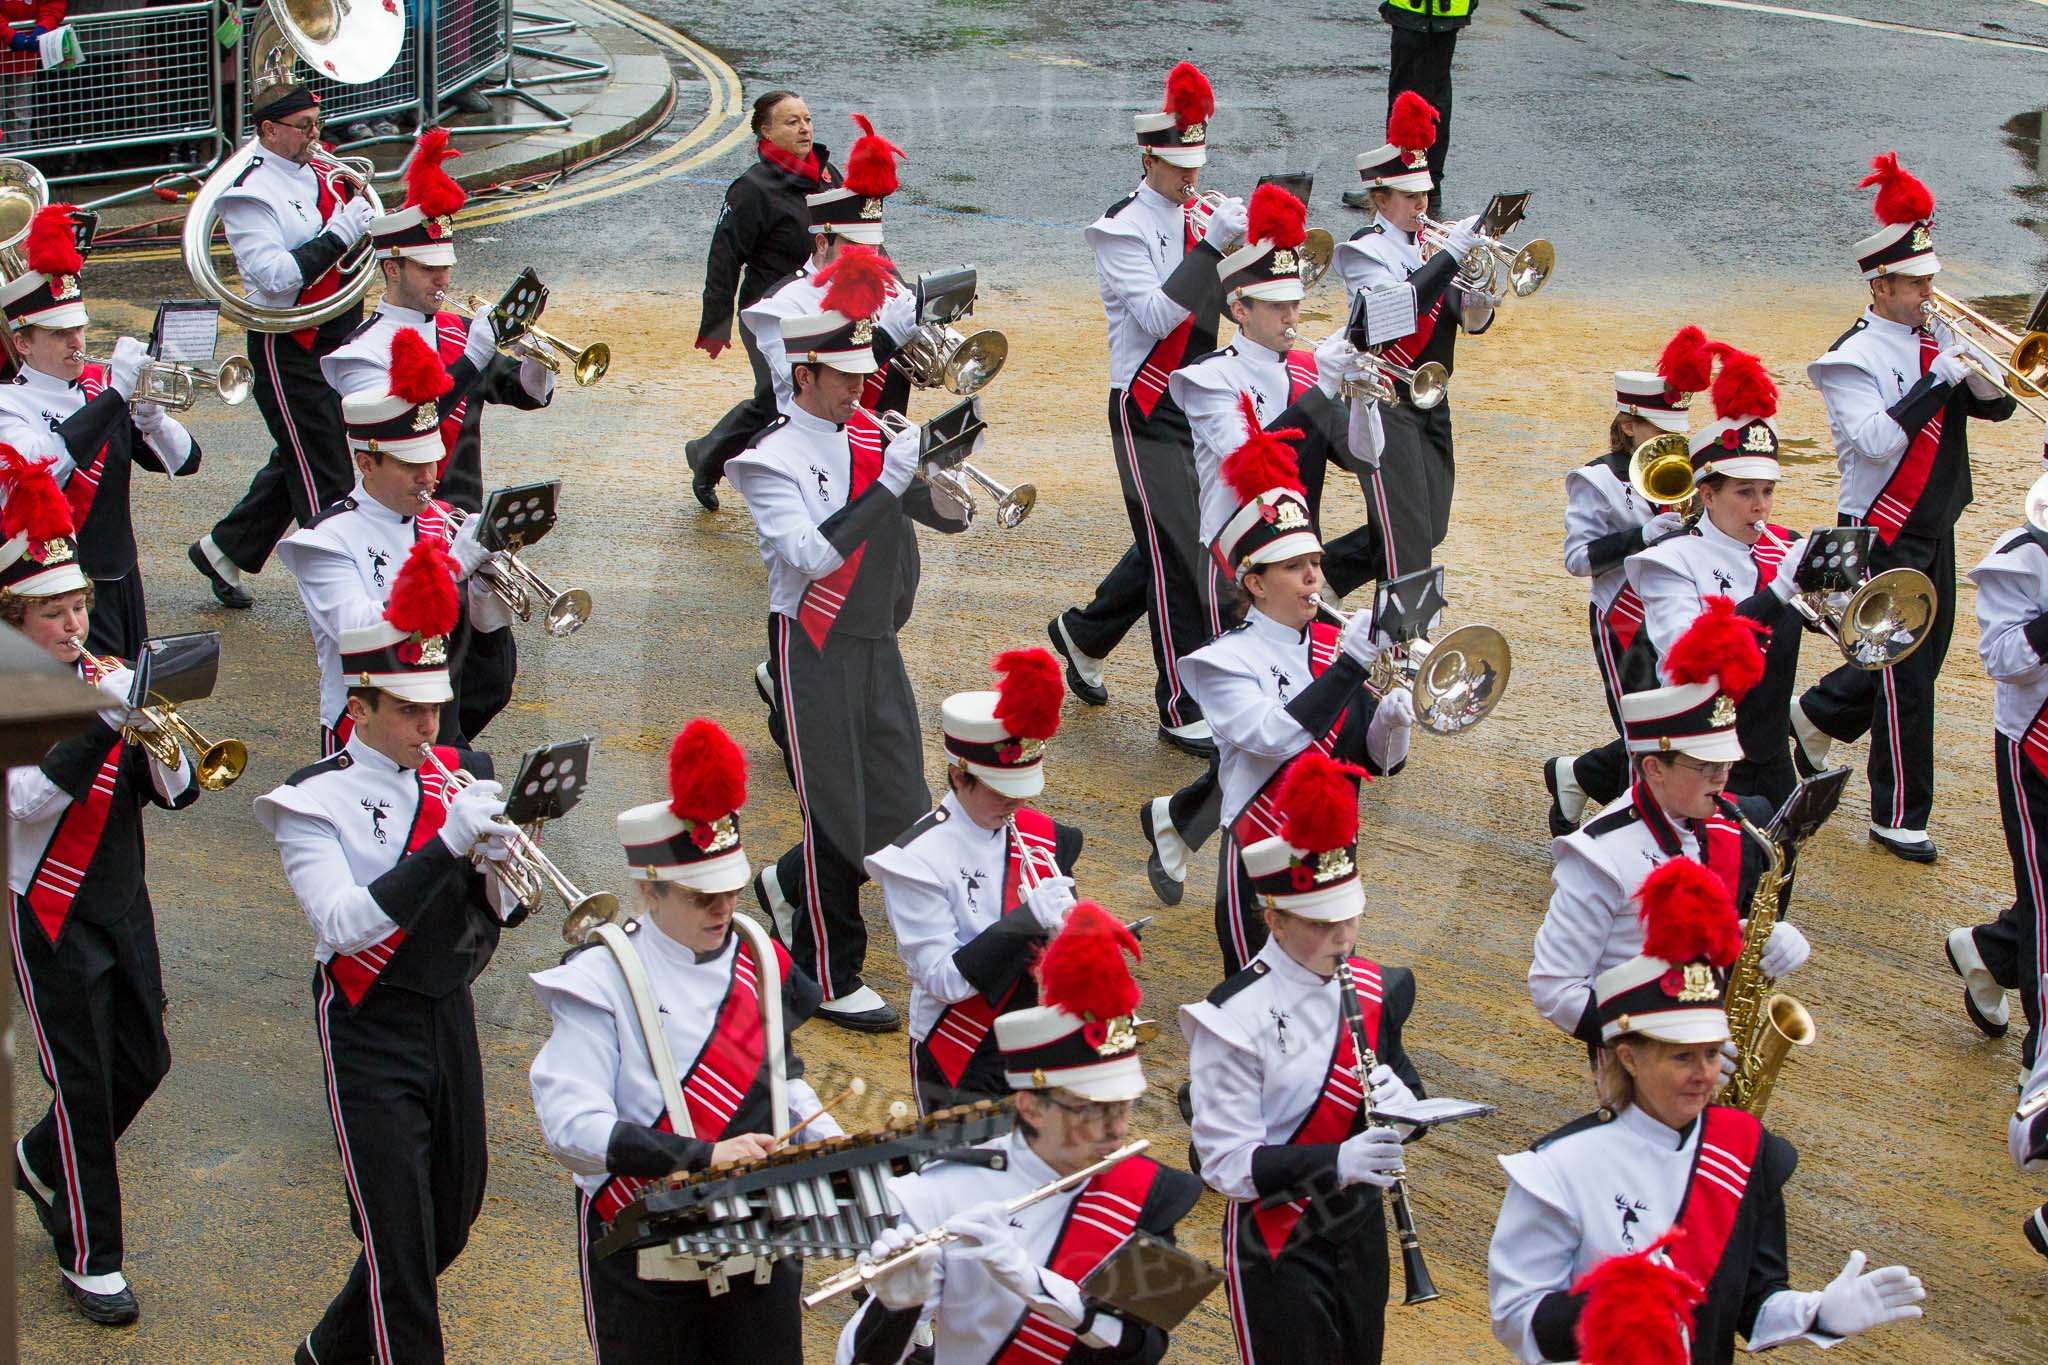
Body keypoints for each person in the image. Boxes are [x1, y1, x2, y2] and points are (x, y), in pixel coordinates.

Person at [254, 552, 527, 1365]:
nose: (428, 728)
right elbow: (343, 924)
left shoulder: (461, 776)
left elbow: (499, 911)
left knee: (450, 1218)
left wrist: (501, 863)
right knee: (398, 1245)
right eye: (408, 710)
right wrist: (446, 845)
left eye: (434, 708)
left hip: (448, 1010)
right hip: (367, 1024)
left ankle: (326, 1350)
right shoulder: (310, 799)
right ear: (359, 705)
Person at [1491, 857, 1926, 1362]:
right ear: (1629, 1058)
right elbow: (1516, 1320)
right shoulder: (1557, 1167)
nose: (1703, 1074)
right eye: (1682, 1056)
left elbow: (1755, 1308)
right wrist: (1608, 1305)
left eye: (1712, 1053)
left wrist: (1819, 1313)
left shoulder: (1748, 1151)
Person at [529, 718, 839, 1363]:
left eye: (730, 890)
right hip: (648, 1255)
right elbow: (572, 1129)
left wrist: (827, 1137)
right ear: (649, 889)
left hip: (761, 1242)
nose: (723, 908)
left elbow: (782, 1075)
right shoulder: (599, 979)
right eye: (702, 897)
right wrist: (704, 1156)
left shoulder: (758, 955)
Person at [725, 255, 969, 1031]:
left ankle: (805, 893)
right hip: (814, 646)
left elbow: (943, 519)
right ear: (803, 374)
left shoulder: (870, 432)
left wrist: (942, 478)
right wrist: (890, 481)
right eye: (844, 376)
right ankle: (827, 971)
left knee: (903, 804)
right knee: (836, 814)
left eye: (865, 372)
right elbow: (811, 555)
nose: (862, 387)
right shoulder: (767, 459)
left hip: (874, 642)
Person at [837, 902, 1203, 1364]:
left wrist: (1039, 1286)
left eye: (1123, 1106)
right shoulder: (941, 1191)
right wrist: (897, 1308)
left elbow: (1146, 1347)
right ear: (1031, 1106)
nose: (1117, 1130)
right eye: (1092, 1111)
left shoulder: (1150, 1191)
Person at [3, 455, 196, 1326]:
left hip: (122, 896)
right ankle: (91, 1256)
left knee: (144, 1059)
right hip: (49, 907)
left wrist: (166, 740)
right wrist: (104, 722)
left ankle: (41, 1159)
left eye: (79, 605)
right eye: (54, 611)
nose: (75, 622)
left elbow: (174, 791)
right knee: (83, 1083)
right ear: (13, 615)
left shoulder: (103, 672)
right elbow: (27, 799)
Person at [1791, 152, 2017, 863]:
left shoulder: (1933, 342)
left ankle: (1818, 712)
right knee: (1905, 678)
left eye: (1930, 281)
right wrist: (1938, 378)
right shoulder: (1850, 358)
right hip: (1884, 526)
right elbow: (1877, 441)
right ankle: (1898, 814)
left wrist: (1976, 367)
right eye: (1917, 283)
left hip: (1936, 521)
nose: (1929, 293)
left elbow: (2002, 410)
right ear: (1880, 284)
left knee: (1922, 656)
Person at [1180, 753, 1425, 1363]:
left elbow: (1407, 1090)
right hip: (1277, 1242)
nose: (1342, 937)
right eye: (1321, 923)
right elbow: (1224, 1164)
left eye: (1350, 917)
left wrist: (1408, 1113)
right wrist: (1336, 1160)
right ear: (1275, 919)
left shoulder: (1377, 987)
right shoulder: (1231, 1017)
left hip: (1359, 1229)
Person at [1143, 418, 1409, 972]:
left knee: (1328, 980)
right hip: (1260, 849)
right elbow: (1275, 737)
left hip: (1335, 851)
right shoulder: (1223, 662)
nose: (1313, 577)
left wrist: (1393, 721)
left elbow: (1376, 763)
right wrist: (1352, 666)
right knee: (1256, 988)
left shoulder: (1335, 644)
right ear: (1256, 583)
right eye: (1294, 567)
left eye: (1315, 563)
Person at [323, 127, 549, 740]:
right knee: (431, 677)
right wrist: (472, 358)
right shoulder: (361, 353)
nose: (442, 280)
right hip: (406, 526)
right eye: (428, 268)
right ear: (392, 266)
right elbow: (401, 422)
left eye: (446, 267)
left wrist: (535, 358)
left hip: (466, 519)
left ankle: (448, 755)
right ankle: (437, 761)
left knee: (492, 678)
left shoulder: (453, 329)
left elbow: (519, 392)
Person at [1049, 62, 1238, 757]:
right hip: (1146, 401)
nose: (1190, 176)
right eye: (1178, 165)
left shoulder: (1198, 213)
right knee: (1180, 554)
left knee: (1179, 536)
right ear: (1149, 157)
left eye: (1196, 163)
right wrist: (1212, 246)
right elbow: (1158, 316)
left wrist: (1252, 254)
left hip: (1200, 397)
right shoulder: (1120, 228)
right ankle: (1182, 703)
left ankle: (1085, 633)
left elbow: (1223, 307)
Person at [1529, 607, 1804, 1064]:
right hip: (1638, 1066)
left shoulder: (1725, 823)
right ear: (1654, 768)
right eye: (1707, 766)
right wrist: (1661, 1042)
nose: (1722, 778)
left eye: (1726, 763)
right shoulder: (1600, 855)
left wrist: (1764, 937)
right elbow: (1554, 989)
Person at [867, 648, 1083, 1114]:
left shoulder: (1041, 836)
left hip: (1032, 1035)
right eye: (1001, 790)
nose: (1015, 803)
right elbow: (943, 980)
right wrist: (1025, 924)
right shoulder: (915, 860)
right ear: (958, 775)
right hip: (960, 1049)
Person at [276, 330, 513, 754]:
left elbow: (482, 655)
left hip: (437, 722)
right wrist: (450, 570)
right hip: (365, 736)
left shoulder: (444, 520)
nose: (428, 478)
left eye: (431, 461)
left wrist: (484, 592)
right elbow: (361, 632)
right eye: (410, 465)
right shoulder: (324, 542)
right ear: (366, 463)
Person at [189, 81, 374, 610]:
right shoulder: (249, 192)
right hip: (291, 343)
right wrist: (340, 234)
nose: (316, 136)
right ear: (269, 130)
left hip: (340, 329)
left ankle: (224, 550)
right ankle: (344, 593)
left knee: (307, 448)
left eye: (318, 123)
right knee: (326, 469)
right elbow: (275, 278)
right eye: (304, 127)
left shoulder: (318, 168)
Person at [0, 202, 200, 657]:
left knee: (132, 691)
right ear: (22, 342)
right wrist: (115, 396)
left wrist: (154, 419)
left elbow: (188, 462)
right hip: (54, 589)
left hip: (121, 576)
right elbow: (41, 468)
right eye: (58, 333)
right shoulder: (8, 404)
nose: (75, 342)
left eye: (78, 328)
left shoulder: (100, 387)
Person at [1621, 341, 1814, 809]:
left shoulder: (1783, 545)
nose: (1760, 507)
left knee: (1782, 851)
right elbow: (1690, 660)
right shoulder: (1671, 561)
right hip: (1703, 759)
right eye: (1744, 492)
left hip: (1770, 754)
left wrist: (1839, 593)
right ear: (1707, 495)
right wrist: (1779, 592)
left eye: (1767, 491)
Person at [1545, 328, 1708, 836]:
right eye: (1659, 429)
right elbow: (1577, 558)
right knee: (1647, 734)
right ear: (1628, 425)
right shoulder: (1597, 480)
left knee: (1686, 724)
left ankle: (1577, 776)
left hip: (1678, 605)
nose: (1672, 441)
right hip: (1624, 617)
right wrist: (1641, 536)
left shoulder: (1685, 467)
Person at [1333, 92, 1488, 589]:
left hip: (1432, 395)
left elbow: (1470, 321)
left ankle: (1324, 574)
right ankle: (1399, 631)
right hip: (1386, 399)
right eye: (1408, 196)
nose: (1422, 205)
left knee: (1430, 527)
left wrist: (1481, 293)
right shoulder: (1362, 250)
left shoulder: (1433, 246)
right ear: (1380, 200)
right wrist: (1451, 257)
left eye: (1424, 193)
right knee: (1407, 534)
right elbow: (1395, 314)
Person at [687, 91, 843, 510]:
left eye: (807, 119)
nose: (805, 129)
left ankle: (713, 451)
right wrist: (716, 325)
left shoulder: (828, 175)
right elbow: (724, 258)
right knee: (781, 400)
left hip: (821, 306)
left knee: (825, 394)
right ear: (766, 131)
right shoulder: (751, 189)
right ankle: (710, 459)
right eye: (792, 122)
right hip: (771, 314)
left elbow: (855, 236)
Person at [1950, 499, 2048, 1065]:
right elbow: (2002, 659)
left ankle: (1993, 952)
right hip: (2037, 745)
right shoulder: (2022, 555)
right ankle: (2043, 1056)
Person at [1344, 1, 1473, 215]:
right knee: (1436, 95)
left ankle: (1396, 189)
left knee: (1406, 102)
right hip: (1448, 10)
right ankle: (1427, 188)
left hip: (1416, 11)